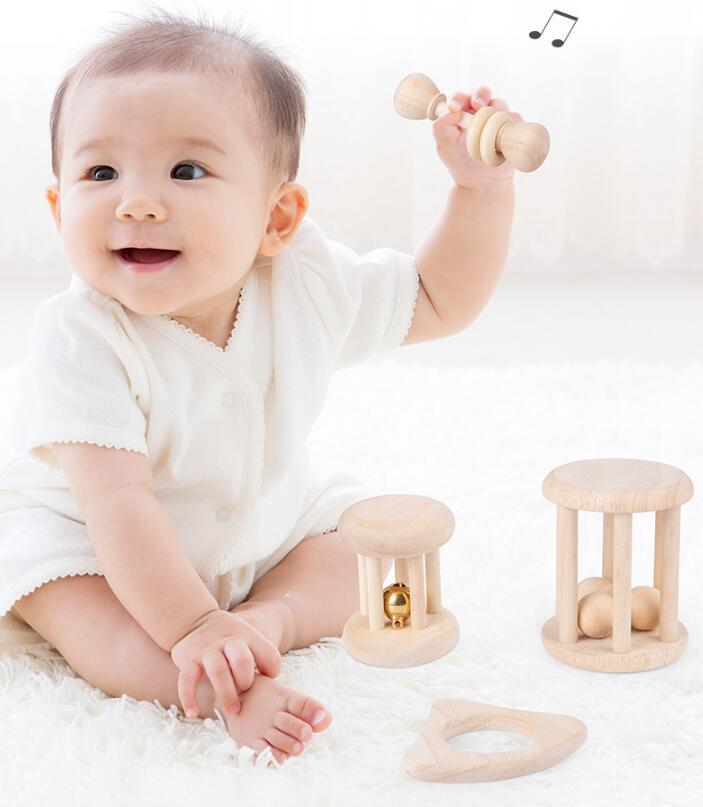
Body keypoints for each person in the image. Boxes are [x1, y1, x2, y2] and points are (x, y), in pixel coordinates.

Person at [0, 6, 518, 766]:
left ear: (276, 217)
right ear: (58, 207)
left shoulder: (302, 279)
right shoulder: (79, 337)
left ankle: (268, 621)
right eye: (99, 172)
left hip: (260, 520)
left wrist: (479, 191)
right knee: (91, 626)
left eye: (186, 171)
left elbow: (439, 300)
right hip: (93, 536)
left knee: (361, 550)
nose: (135, 201)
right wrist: (190, 630)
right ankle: (217, 686)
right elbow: (119, 505)